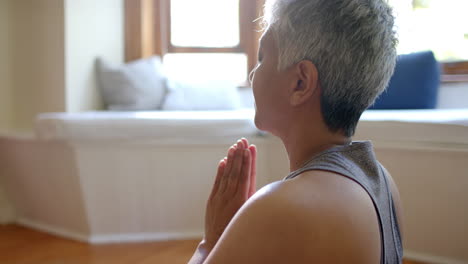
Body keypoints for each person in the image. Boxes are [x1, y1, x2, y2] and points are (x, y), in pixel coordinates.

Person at [189, 0, 403, 263]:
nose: (253, 74)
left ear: (300, 83)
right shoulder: (383, 181)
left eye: (261, 58)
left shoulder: (281, 206)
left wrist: (211, 241)